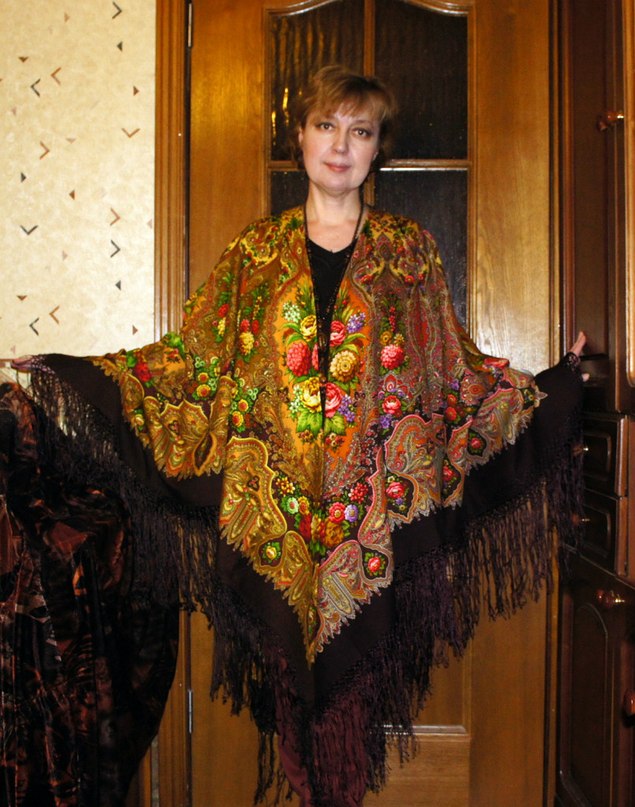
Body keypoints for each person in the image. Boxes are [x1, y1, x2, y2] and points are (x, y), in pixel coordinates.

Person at [1, 66, 585, 807]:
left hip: (370, 521)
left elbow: (450, 371)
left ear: (377, 149)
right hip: (272, 520)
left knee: (351, 712)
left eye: (359, 131)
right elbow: (192, 363)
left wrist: (554, 385)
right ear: (300, 138)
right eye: (325, 127)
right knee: (290, 702)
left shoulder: (408, 252)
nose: (340, 146)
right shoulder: (255, 252)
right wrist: (73, 373)